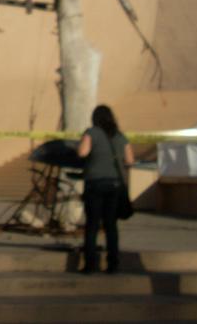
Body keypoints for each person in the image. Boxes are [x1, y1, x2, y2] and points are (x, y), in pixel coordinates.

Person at [77, 105, 134, 274]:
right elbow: (130, 160)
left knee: (92, 225)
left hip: (94, 183)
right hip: (115, 185)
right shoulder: (120, 135)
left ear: (94, 118)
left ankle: (90, 264)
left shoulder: (91, 132)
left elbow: (82, 152)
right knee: (111, 225)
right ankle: (113, 263)